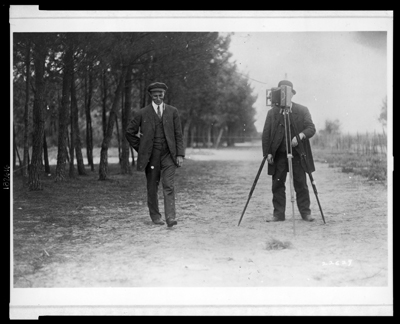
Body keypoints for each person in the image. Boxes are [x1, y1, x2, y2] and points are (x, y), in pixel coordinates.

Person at [125, 82, 184, 227]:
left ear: (164, 94)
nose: (158, 98)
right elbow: (129, 132)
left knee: (168, 185)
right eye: (155, 95)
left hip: (169, 155)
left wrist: (180, 154)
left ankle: (170, 217)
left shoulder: (172, 111)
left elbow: (178, 134)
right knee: (152, 186)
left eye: (161, 95)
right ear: (151, 95)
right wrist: (142, 148)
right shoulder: (142, 113)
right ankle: (156, 216)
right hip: (152, 157)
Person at [262, 80, 316, 222]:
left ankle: (305, 213)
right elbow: (266, 134)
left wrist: (300, 136)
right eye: (281, 92)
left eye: (287, 92)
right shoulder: (272, 112)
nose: (285, 95)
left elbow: (311, 128)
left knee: (301, 184)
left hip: (298, 154)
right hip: (278, 155)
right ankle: (278, 214)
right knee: (277, 184)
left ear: (292, 94)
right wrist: (267, 153)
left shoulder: (302, 110)